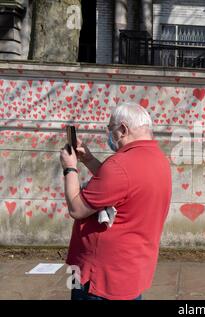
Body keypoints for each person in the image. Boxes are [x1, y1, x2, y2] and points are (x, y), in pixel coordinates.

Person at [59, 102, 172, 300]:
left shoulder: (120, 165)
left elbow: (76, 209)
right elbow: (119, 187)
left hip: (99, 278)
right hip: (131, 272)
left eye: (111, 129)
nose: (110, 135)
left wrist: (70, 168)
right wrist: (89, 159)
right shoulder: (159, 160)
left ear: (123, 129)